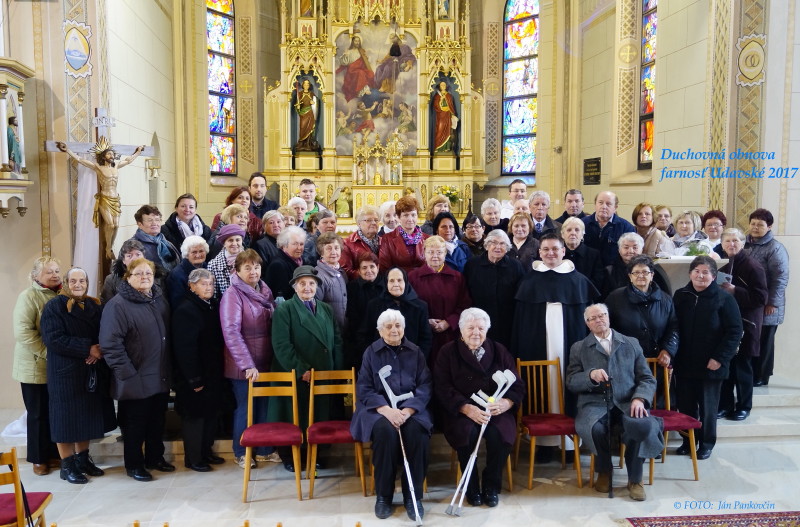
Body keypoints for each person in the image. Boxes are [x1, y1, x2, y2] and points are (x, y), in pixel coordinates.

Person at [566, 304, 663, 502]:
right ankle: (604, 471)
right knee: (595, 429)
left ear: (608, 317)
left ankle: (635, 479)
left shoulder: (631, 343)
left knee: (639, 425)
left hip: (628, 402)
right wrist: (590, 376)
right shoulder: (579, 347)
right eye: (593, 318)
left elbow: (647, 378)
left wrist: (639, 398)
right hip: (594, 404)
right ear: (587, 324)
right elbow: (571, 382)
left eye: (602, 315)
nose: (598, 320)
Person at [434, 308, 524, 507]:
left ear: (487, 330)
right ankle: (471, 485)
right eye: (471, 328)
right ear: (461, 329)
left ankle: (491, 485)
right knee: (467, 434)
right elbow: (442, 386)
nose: (476, 332)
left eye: (481, 328)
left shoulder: (499, 350)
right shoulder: (448, 352)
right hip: (462, 409)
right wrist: (465, 408)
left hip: (494, 407)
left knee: (501, 435)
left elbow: (517, 384)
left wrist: (507, 402)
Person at [351, 309, 432, 520]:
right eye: (388, 326)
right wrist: (386, 410)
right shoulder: (371, 352)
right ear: (380, 331)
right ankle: (384, 496)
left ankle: (412, 497)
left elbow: (425, 385)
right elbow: (364, 388)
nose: (394, 330)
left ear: (404, 328)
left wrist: (408, 411)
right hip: (377, 410)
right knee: (385, 432)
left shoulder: (415, 352)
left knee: (417, 433)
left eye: (398, 325)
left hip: (410, 409)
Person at [512, 233, 598, 424]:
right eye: (546, 249)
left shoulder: (579, 281)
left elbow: (589, 321)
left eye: (555, 249)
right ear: (539, 252)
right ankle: (540, 433)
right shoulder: (528, 281)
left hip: (572, 342)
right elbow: (520, 322)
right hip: (536, 345)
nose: (550, 253)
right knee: (539, 383)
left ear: (563, 251)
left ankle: (570, 432)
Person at [100, 258, 173, 481]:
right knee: (134, 426)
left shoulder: (159, 300)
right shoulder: (118, 305)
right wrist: (127, 374)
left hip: (159, 374)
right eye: (139, 273)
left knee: (156, 422)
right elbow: (110, 344)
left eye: (148, 273)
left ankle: (155, 458)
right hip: (134, 377)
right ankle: (134, 465)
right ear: (128, 277)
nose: (145, 277)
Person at [41, 267, 115, 484]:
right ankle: (67, 465)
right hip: (65, 373)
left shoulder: (94, 305)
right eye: (73, 281)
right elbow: (53, 339)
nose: (78, 284)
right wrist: (87, 348)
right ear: (65, 283)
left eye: (82, 280)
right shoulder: (54, 306)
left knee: (85, 418)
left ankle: (83, 460)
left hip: (89, 371)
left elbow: (103, 332)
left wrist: (99, 349)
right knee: (65, 420)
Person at [270, 266, 343, 472]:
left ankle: (315, 454)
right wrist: (301, 369)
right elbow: (281, 345)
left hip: (322, 374)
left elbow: (337, 341)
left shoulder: (326, 309)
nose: (307, 287)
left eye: (311, 283)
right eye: (302, 283)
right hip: (297, 374)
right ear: (294, 287)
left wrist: (336, 370)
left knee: (318, 416)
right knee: (294, 416)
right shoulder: (284, 310)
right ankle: (290, 456)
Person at [672, 256, 743, 460]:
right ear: (690, 273)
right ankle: (688, 441)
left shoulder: (724, 298)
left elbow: (735, 331)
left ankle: (706, 443)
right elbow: (673, 325)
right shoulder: (680, 295)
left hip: (711, 364)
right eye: (697, 271)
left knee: (708, 408)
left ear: (713, 276)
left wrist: (719, 358)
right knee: (686, 406)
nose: (700, 276)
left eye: (706, 272)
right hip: (685, 362)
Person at [220, 250, 278, 468]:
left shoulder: (264, 290)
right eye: (247, 268)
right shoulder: (232, 294)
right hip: (243, 366)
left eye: (256, 267)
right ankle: (241, 452)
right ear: (237, 271)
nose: (253, 271)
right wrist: (246, 365)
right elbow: (231, 332)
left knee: (263, 406)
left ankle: (263, 449)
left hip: (265, 361)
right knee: (245, 408)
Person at [171, 268, 226, 472]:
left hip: (211, 373)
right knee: (195, 417)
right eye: (203, 284)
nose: (209, 287)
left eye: (211, 283)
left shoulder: (210, 306)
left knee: (210, 414)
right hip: (193, 376)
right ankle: (194, 458)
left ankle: (206, 452)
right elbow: (185, 349)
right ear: (192, 287)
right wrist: (194, 378)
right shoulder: (185, 310)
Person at [12, 257, 62, 475]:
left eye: (57, 270)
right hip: (34, 366)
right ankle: (38, 459)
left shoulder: (62, 294)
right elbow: (23, 332)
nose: (55, 275)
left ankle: (53, 453)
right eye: (49, 271)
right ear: (35, 276)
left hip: (57, 367)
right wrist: (48, 353)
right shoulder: (28, 296)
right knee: (37, 414)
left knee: (53, 412)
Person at [57, 139, 145, 258]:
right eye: (109, 154)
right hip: (105, 198)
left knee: (116, 225)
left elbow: (129, 160)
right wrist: (68, 150)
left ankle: (110, 247)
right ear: (103, 156)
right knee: (110, 224)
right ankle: (108, 248)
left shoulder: (116, 166)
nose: (111, 156)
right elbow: (81, 160)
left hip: (115, 199)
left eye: (112, 154)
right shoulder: (98, 167)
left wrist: (138, 152)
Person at [718, 228, 768, 421]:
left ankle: (744, 406)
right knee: (727, 367)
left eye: (735, 241)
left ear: (742, 243)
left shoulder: (753, 266)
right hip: (727, 324)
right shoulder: (722, 264)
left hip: (747, 323)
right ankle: (725, 405)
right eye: (727, 241)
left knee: (742, 368)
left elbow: (761, 298)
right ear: (722, 244)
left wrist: (735, 291)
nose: (731, 244)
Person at [408, 236, 472, 368]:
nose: (435, 256)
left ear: (445, 253)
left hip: (450, 334)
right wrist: (426, 321)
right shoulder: (412, 277)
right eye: (431, 252)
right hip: (423, 334)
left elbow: (464, 305)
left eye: (439, 252)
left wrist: (449, 322)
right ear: (424, 253)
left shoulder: (457, 277)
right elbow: (409, 306)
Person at [745, 208, 790, 387]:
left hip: (767, 304)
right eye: (753, 223)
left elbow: (780, 278)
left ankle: (762, 376)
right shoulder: (744, 244)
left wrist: (772, 303)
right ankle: (752, 374)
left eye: (760, 225)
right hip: (750, 301)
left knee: (764, 340)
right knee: (752, 339)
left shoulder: (775, 248)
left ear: (769, 227)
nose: (755, 227)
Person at [606, 255, 678, 364]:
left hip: (657, 360)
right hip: (625, 360)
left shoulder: (665, 299)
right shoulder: (615, 298)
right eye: (636, 272)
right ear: (630, 276)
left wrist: (668, 350)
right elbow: (607, 328)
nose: (640, 276)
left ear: (652, 275)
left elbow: (673, 327)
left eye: (645, 272)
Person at [463, 230, 524, 348]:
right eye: (493, 243)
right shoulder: (472, 265)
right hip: (479, 322)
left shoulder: (515, 266)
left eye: (502, 244)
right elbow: (465, 292)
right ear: (487, 245)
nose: (498, 247)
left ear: (507, 248)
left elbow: (520, 293)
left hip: (507, 321)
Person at [361, 267, 432, 360]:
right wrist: (373, 358)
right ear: (386, 283)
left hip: (412, 360)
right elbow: (365, 335)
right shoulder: (374, 305)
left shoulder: (420, 307)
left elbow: (425, 338)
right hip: (380, 359)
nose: (396, 284)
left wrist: (417, 359)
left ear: (405, 282)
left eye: (399, 280)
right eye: (391, 281)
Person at [345, 252, 385, 371]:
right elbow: (352, 315)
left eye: (372, 266)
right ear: (359, 270)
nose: (369, 271)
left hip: (383, 336)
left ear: (378, 267)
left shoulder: (386, 285)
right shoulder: (352, 287)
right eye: (364, 268)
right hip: (360, 339)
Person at [603, 232, 671, 298]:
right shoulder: (610, 271)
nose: (630, 251)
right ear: (619, 250)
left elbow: (663, 296)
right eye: (626, 247)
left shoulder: (652, 270)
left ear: (642, 250)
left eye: (635, 248)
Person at [582, 191, 636, 266]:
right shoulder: (582, 224)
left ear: (615, 207)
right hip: (587, 268)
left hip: (614, 270)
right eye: (600, 202)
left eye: (608, 204)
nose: (604, 206)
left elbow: (631, 254)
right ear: (595, 204)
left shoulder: (626, 227)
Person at [379, 196, 429, 273]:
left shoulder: (427, 238)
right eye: (406, 215)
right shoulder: (387, 239)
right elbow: (384, 268)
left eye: (413, 215)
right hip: (398, 279)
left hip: (422, 279)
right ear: (398, 217)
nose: (410, 219)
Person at [129, 205, 181, 272]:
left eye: (157, 220)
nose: (154, 223)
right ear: (140, 224)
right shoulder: (132, 246)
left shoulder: (166, 243)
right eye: (150, 220)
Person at [561, 217, 605, 295]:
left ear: (582, 234)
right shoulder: (557, 254)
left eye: (577, 230)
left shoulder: (594, 255)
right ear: (562, 235)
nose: (573, 233)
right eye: (569, 230)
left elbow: (597, 281)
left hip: (585, 296)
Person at [315, 232, 348, 330]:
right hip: (327, 330)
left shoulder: (342, 272)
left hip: (343, 329)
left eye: (336, 248)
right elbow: (316, 309)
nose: (334, 252)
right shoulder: (317, 276)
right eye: (329, 248)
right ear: (321, 252)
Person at [264, 225, 307, 301]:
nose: (299, 248)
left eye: (301, 244)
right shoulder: (278, 265)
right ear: (284, 245)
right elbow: (281, 297)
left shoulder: (303, 262)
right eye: (295, 244)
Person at [166, 235, 209, 308]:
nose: (198, 255)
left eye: (201, 251)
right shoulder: (176, 275)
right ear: (186, 254)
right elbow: (178, 303)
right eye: (194, 252)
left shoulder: (209, 267)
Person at [341, 205, 381, 280]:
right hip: (359, 284)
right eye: (368, 220)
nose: (373, 223)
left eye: (376, 220)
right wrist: (368, 275)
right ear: (359, 223)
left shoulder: (383, 241)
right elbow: (345, 270)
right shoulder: (348, 243)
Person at [207, 224, 246, 298]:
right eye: (230, 240)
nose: (234, 244)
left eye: (237, 240)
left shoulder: (249, 259)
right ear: (224, 243)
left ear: (242, 241)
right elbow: (214, 296)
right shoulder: (213, 265)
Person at [337, 34, 375, 103]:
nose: (357, 42)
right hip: (351, 70)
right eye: (356, 41)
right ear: (353, 42)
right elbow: (344, 62)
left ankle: (363, 89)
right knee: (360, 73)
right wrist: (345, 55)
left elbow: (365, 61)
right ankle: (361, 91)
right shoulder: (349, 51)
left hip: (360, 68)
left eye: (358, 41)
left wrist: (366, 57)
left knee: (370, 73)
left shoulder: (361, 51)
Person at [433, 81, 458, 152]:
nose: (443, 86)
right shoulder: (437, 96)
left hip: (447, 115)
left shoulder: (449, 96)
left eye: (444, 85)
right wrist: (441, 100)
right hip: (440, 116)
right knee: (439, 130)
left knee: (448, 131)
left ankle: (447, 148)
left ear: (446, 86)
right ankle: (438, 147)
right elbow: (435, 106)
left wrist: (452, 114)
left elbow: (451, 106)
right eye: (442, 85)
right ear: (439, 86)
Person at [295, 79, 320, 151]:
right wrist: (298, 107)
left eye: (308, 84)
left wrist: (314, 103)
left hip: (310, 113)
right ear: (303, 85)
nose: (306, 85)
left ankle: (308, 144)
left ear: (309, 85)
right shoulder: (299, 94)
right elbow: (297, 104)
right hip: (303, 114)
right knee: (302, 127)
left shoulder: (312, 94)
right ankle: (302, 143)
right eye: (305, 84)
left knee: (310, 128)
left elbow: (316, 103)